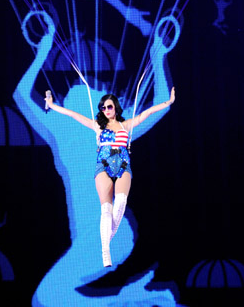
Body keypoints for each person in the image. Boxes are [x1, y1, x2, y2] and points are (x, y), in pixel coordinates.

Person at [44, 86, 176, 267]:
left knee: (120, 204)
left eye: (109, 107)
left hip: (123, 165)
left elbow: (147, 113)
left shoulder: (125, 125)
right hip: (104, 165)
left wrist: (168, 102)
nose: (106, 110)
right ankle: (105, 250)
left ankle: (105, 240)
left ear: (115, 107)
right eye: (103, 108)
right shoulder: (98, 125)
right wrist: (52, 105)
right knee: (106, 209)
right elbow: (72, 114)